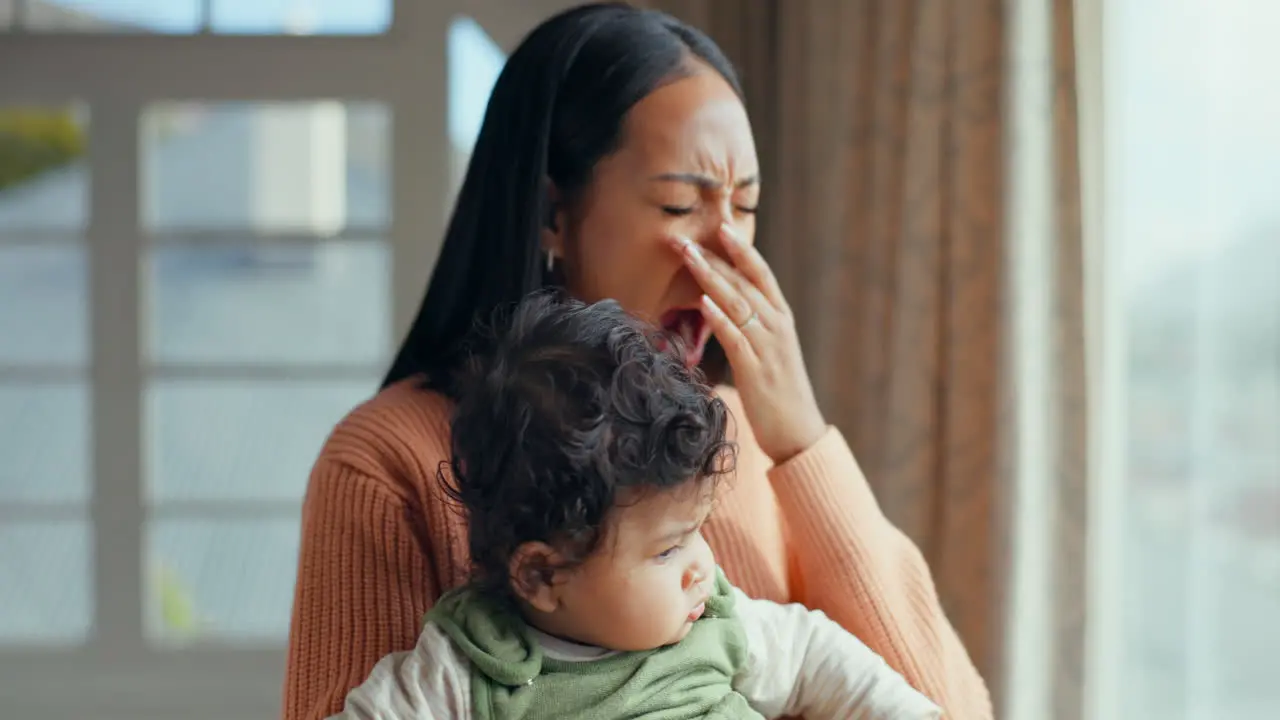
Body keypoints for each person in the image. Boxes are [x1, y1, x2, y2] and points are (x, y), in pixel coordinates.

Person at [285, 3, 992, 719]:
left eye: (745, 207)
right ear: (552, 214)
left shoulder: (738, 435)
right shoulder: (385, 462)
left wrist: (803, 442)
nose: (729, 253)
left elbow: (951, 710)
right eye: (683, 205)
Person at [328, 294, 941, 720]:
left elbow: (816, 657)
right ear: (541, 574)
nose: (701, 564)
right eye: (667, 548)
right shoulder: (474, 666)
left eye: (696, 533)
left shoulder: (716, 625)